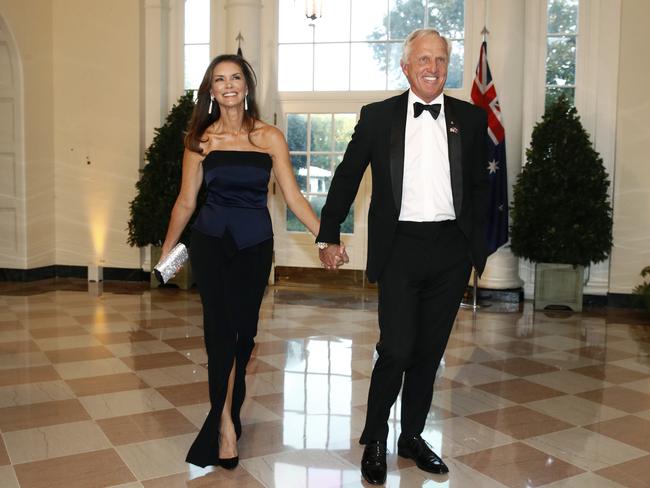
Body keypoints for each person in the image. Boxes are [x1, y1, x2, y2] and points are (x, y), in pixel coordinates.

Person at [316, 29, 489, 485]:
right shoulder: (378, 117)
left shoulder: (470, 119)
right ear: (406, 66)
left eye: (441, 59)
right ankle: (375, 437)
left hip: (451, 250)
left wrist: (475, 248)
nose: (433, 67)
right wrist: (327, 234)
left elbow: (479, 188)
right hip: (400, 249)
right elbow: (347, 175)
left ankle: (410, 437)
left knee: (430, 353)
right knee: (396, 349)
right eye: (424, 59)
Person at [158, 54, 337, 469]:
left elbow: (293, 197)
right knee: (218, 334)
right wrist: (169, 250)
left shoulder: (270, 137)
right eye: (219, 80)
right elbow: (186, 201)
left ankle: (229, 410)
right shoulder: (201, 140)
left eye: (235, 77)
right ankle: (223, 424)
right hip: (210, 242)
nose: (228, 85)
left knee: (244, 337)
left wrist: (326, 237)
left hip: (254, 246)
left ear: (247, 86)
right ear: (211, 90)